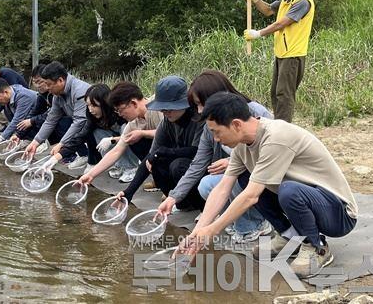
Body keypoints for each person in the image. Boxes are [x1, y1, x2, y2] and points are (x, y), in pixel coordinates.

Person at [177, 92, 357, 278]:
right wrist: (197, 234)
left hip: (338, 213)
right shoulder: (242, 147)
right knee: (247, 179)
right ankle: (290, 236)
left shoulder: (276, 137)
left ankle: (316, 247)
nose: (215, 139)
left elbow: (251, 196)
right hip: (308, 200)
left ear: (236, 124)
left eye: (216, 132)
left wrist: (213, 230)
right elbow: (223, 188)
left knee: (286, 191)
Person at [156, 70, 272, 243]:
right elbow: (198, 164)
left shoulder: (255, 113)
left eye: (201, 104)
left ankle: (257, 222)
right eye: (197, 105)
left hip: (264, 178)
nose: (200, 110)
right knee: (206, 184)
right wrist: (174, 197)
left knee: (236, 175)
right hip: (236, 174)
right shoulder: (209, 126)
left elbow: (270, 153)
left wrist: (232, 161)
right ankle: (235, 219)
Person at [115, 76, 205, 210]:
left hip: (200, 168)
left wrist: (166, 152)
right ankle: (181, 203)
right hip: (181, 177)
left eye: (169, 108)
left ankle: (201, 205)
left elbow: (198, 152)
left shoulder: (198, 119)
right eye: (163, 109)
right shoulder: (167, 122)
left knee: (177, 165)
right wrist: (129, 192)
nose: (165, 112)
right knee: (154, 161)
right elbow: (151, 156)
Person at [244, 0, 315, 123]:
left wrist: (258, 34)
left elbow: (281, 23)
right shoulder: (286, 0)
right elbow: (268, 10)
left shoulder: (303, 1)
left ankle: (283, 131)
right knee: (275, 92)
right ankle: (279, 125)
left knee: (284, 94)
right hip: (282, 54)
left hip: (293, 56)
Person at [77, 81, 162, 184]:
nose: (120, 114)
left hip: (178, 152)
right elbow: (116, 151)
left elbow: (169, 133)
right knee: (135, 140)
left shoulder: (158, 107)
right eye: (117, 111)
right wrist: (90, 175)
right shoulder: (133, 124)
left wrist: (142, 133)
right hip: (158, 154)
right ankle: (159, 178)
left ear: (134, 103)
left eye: (120, 110)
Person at [25, 61, 89, 170]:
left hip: (94, 124)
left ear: (60, 80)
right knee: (61, 122)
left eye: (49, 84)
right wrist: (35, 142)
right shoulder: (57, 95)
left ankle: (87, 156)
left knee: (73, 124)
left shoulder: (79, 91)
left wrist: (61, 144)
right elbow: (50, 120)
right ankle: (81, 154)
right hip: (79, 123)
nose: (47, 88)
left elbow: (79, 122)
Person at [64, 84, 139, 176]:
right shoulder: (92, 115)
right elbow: (82, 135)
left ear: (105, 103)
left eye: (94, 105)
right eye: (88, 105)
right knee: (96, 132)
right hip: (117, 137)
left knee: (125, 129)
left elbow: (132, 134)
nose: (90, 109)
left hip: (131, 137)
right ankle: (119, 165)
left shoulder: (119, 111)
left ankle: (131, 167)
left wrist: (112, 140)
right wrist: (58, 155)